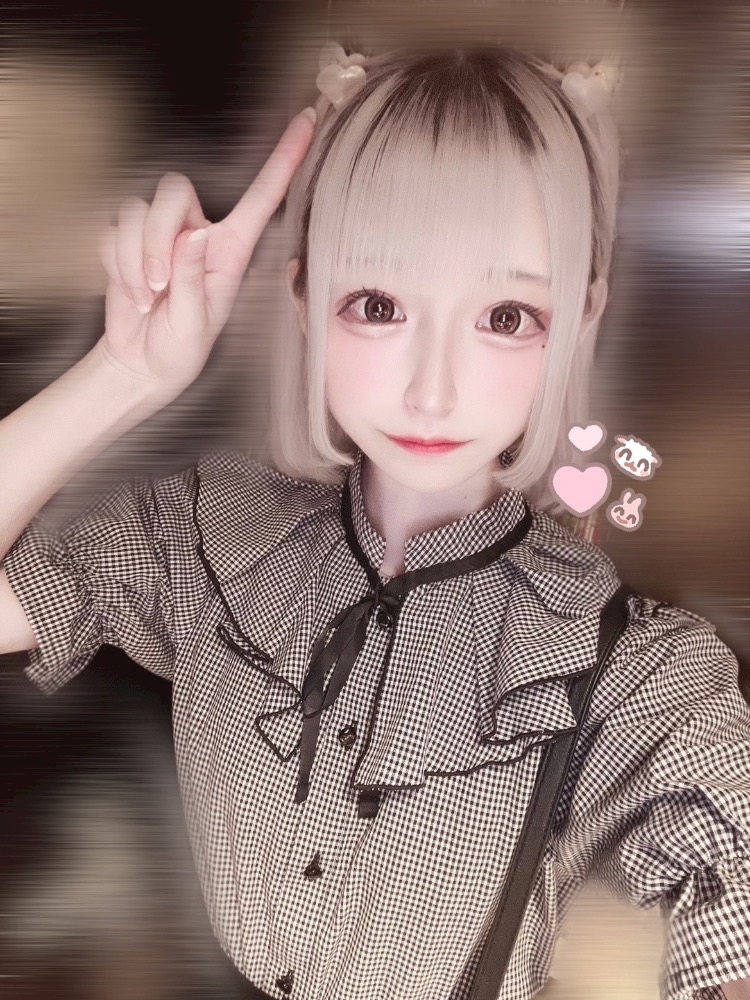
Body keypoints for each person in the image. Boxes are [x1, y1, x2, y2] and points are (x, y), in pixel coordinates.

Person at [1, 44, 749, 1000]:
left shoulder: (639, 672)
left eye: (507, 316)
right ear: (307, 297)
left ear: (580, 314)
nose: (433, 391)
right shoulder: (207, 534)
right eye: (380, 304)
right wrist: (126, 374)